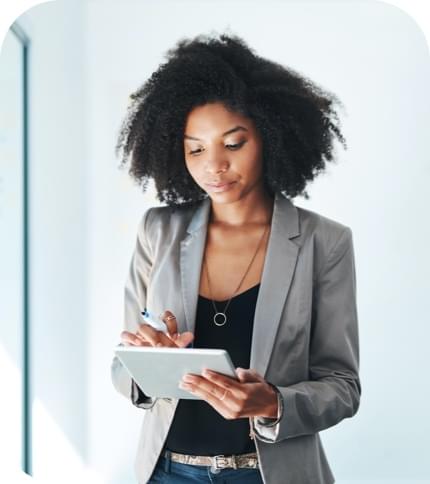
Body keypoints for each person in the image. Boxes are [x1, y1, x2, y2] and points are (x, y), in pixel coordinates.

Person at [111, 32, 361, 484]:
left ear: (270, 136)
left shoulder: (325, 241)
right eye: (196, 148)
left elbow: (342, 387)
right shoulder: (157, 231)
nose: (214, 166)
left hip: (268, 474)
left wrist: (273, 403)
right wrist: (151, 361)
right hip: (169, 472)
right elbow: (123, 368)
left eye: (233, 143)